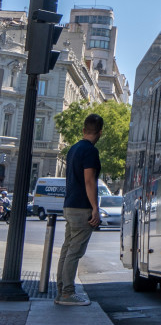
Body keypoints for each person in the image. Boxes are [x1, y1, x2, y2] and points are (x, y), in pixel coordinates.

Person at [56, 113, 104, 306]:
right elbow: (89, 180)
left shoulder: (74, 148)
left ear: (84, 130)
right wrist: (95, 208)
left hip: (69, 204)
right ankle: (68, 293)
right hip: (82, 207)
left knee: (66, 250)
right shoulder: (90, 151)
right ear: (100, 132)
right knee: (74, 252)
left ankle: (61, 291)